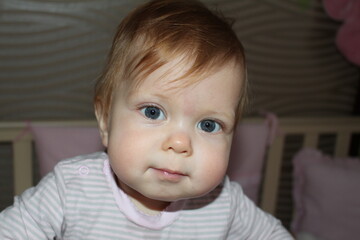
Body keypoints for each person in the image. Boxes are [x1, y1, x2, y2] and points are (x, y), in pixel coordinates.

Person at [0, 0, 293, 239]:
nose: (180, 143)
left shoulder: (224, 204)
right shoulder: (71, 189)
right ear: (104, 121)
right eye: (153, 112)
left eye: (208, 125)